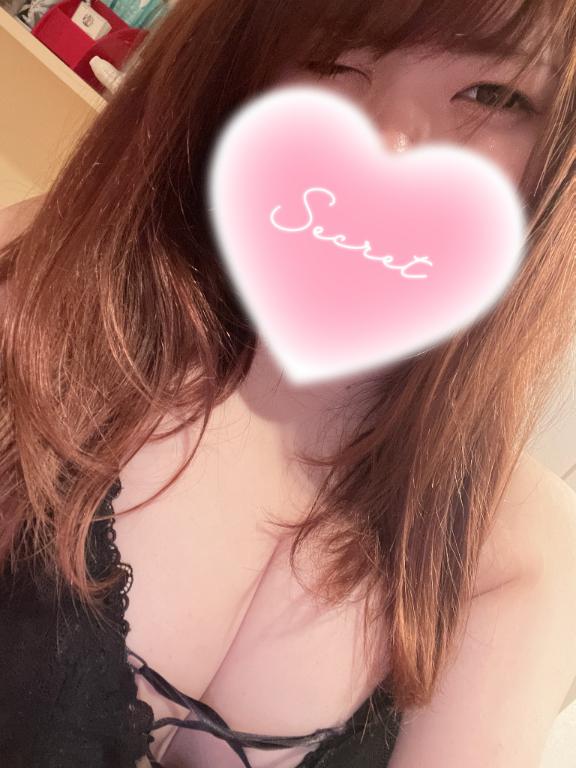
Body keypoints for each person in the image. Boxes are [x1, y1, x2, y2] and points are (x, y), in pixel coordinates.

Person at [0, 0, 575, 766]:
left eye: (492, 96)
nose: (386, 143)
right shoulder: (53, 295)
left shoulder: (521, 553)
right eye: (332, 59)